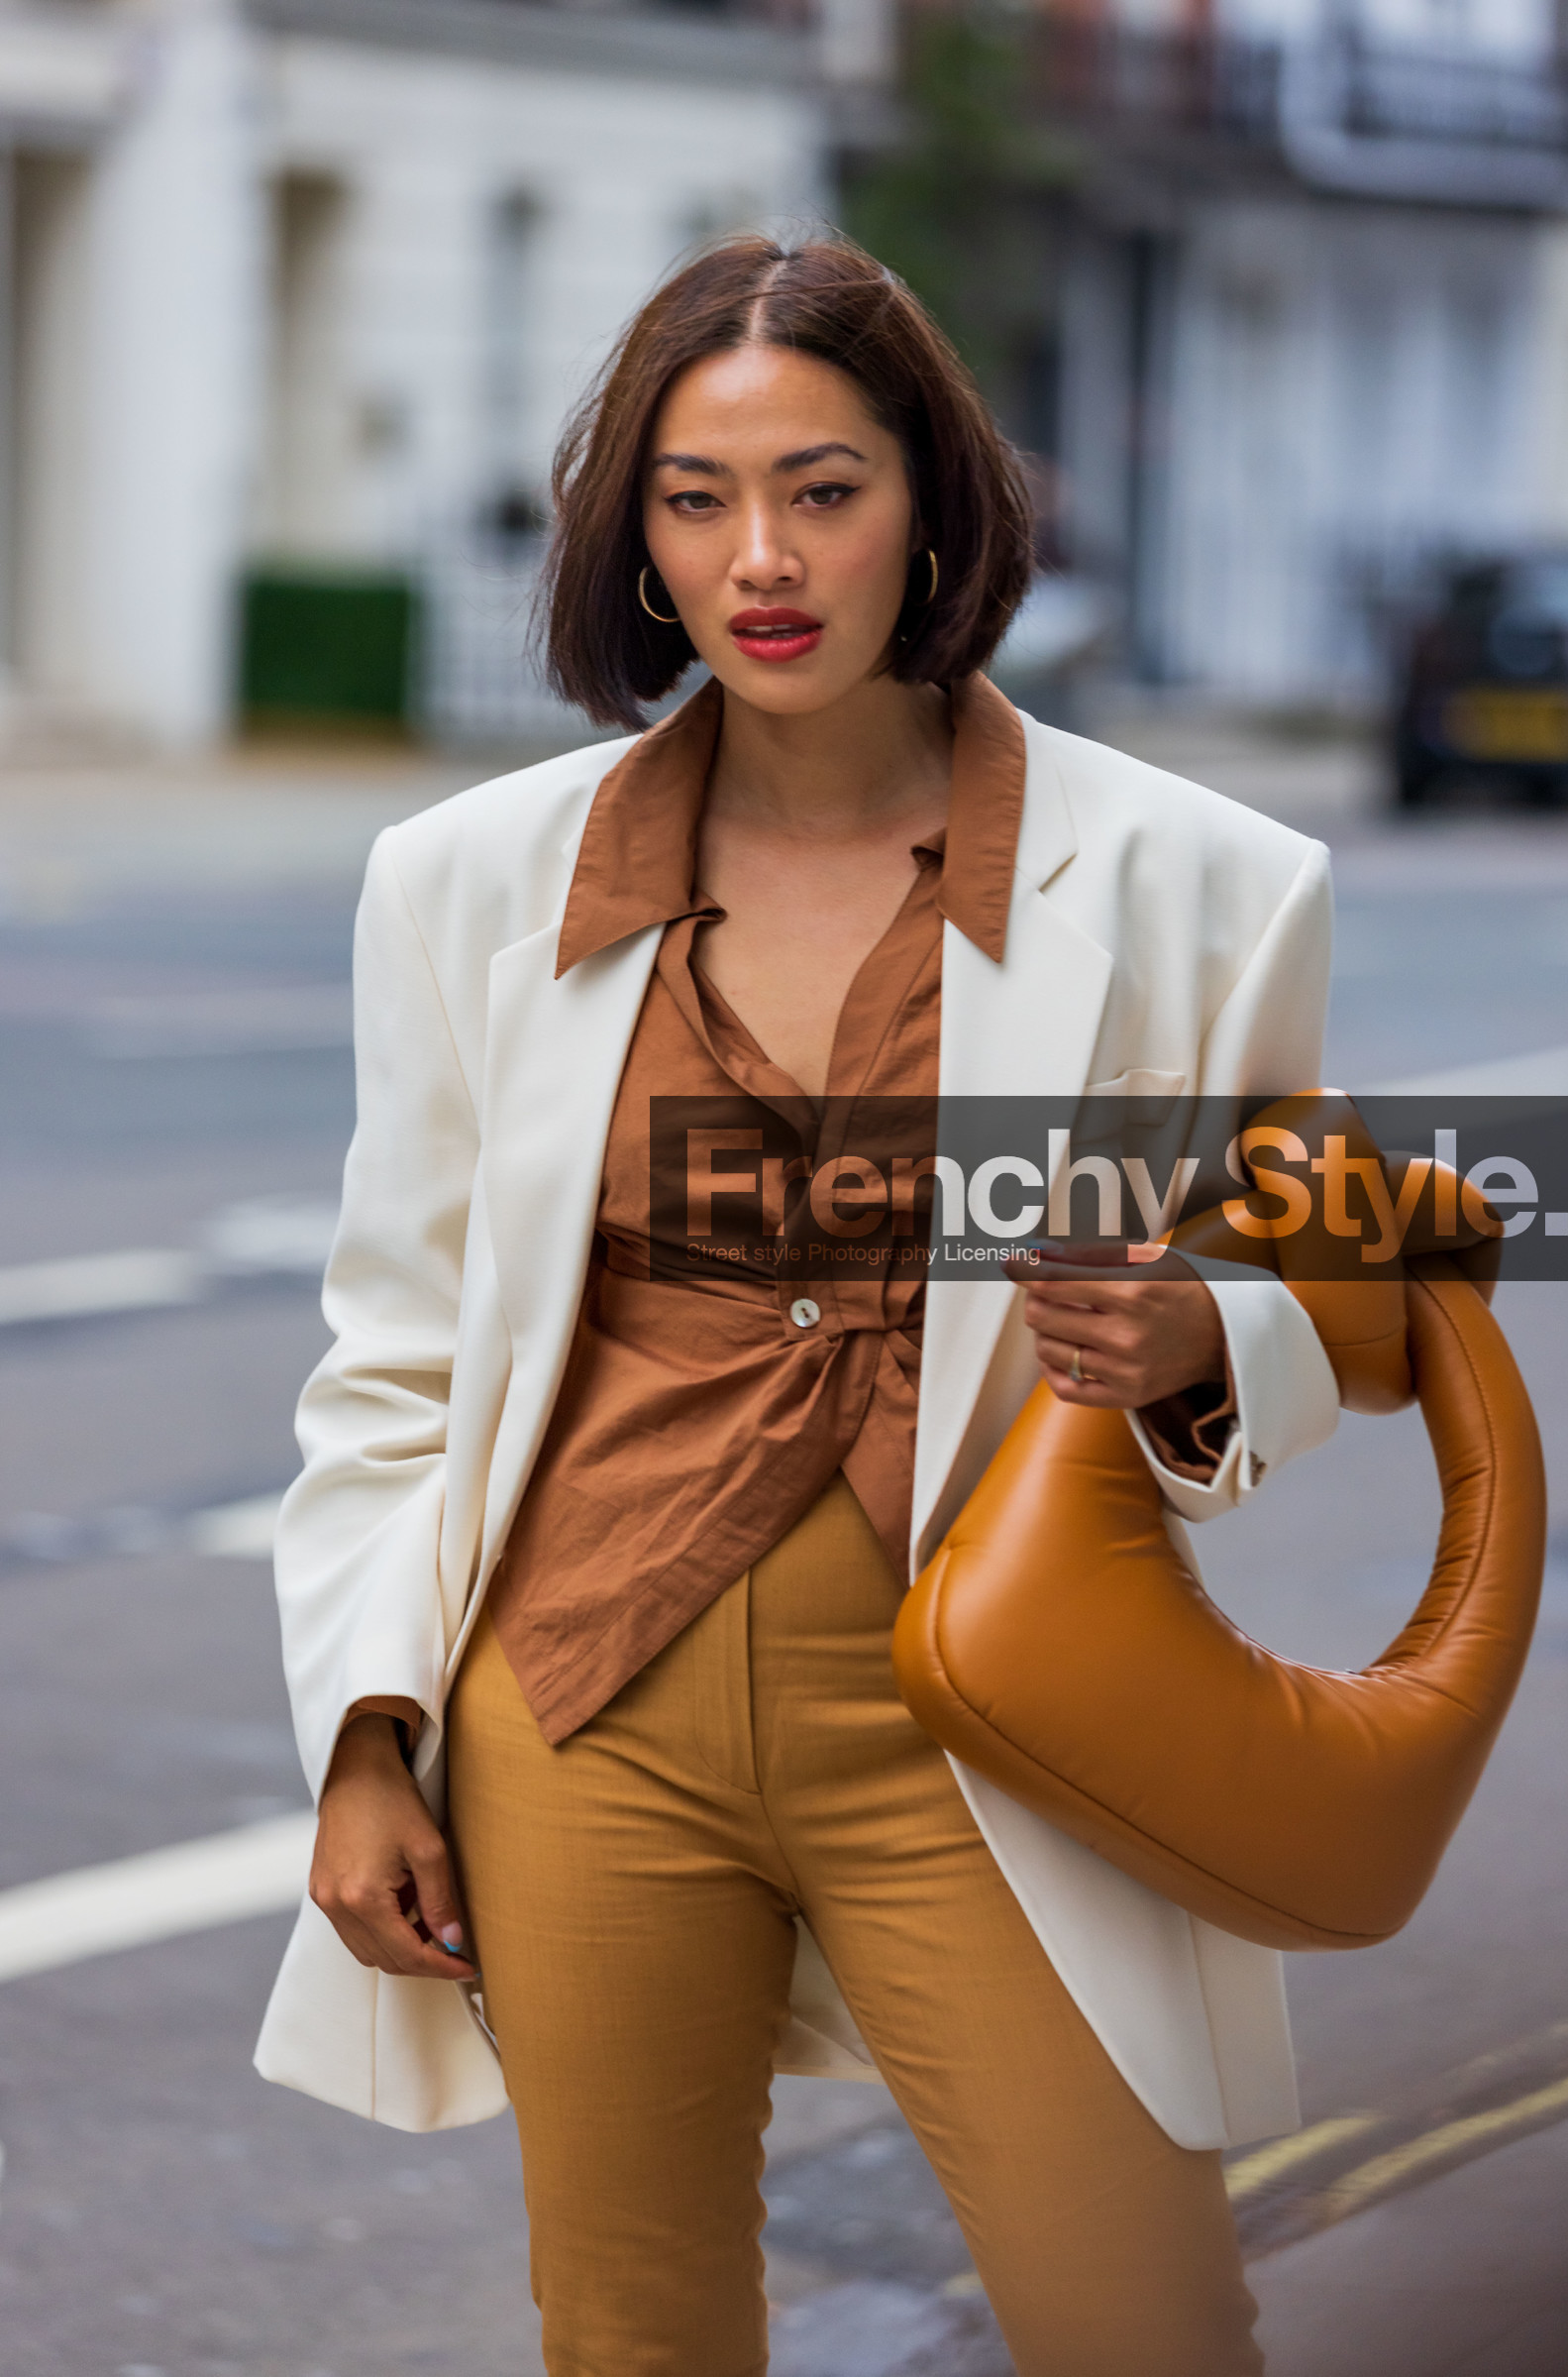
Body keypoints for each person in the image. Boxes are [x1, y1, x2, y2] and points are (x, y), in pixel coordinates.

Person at [257, 234, 1338, 2376]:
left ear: (928, 498)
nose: (760, 556)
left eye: (822, 489)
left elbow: (1331, 1241)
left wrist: (1209, 1338)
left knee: (1141, 2320)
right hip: (578, 1716)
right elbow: (395, 1347)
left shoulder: (1197, 881)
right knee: (633, 2333)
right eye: (694, 497)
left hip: (996, 1717)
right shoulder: (466, 885)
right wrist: (369, 1736)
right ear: (631, 537)